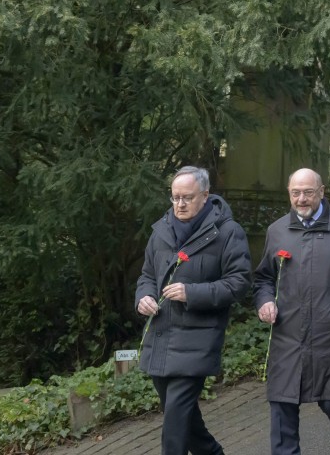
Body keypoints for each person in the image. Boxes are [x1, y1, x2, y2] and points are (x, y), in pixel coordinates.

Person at [135, 166, 251, 455]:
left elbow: (239, 283)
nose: (180, 204)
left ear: (205, 196)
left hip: (198, 340)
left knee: (174, 424)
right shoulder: (160, 230)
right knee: (185, 420)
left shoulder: (227, 232)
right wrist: (144, 297)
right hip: (160, 336)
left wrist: (192, 293)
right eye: (175, 197)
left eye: (187, 197)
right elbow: (147, 275)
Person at [253, 169, 330, 455]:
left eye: (308, 192)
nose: (301, 199)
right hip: (287, 334)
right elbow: (264, 278)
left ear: (322, 191)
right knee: (282, 403)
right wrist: (265, 301)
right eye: (295, 193)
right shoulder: (277, 231)